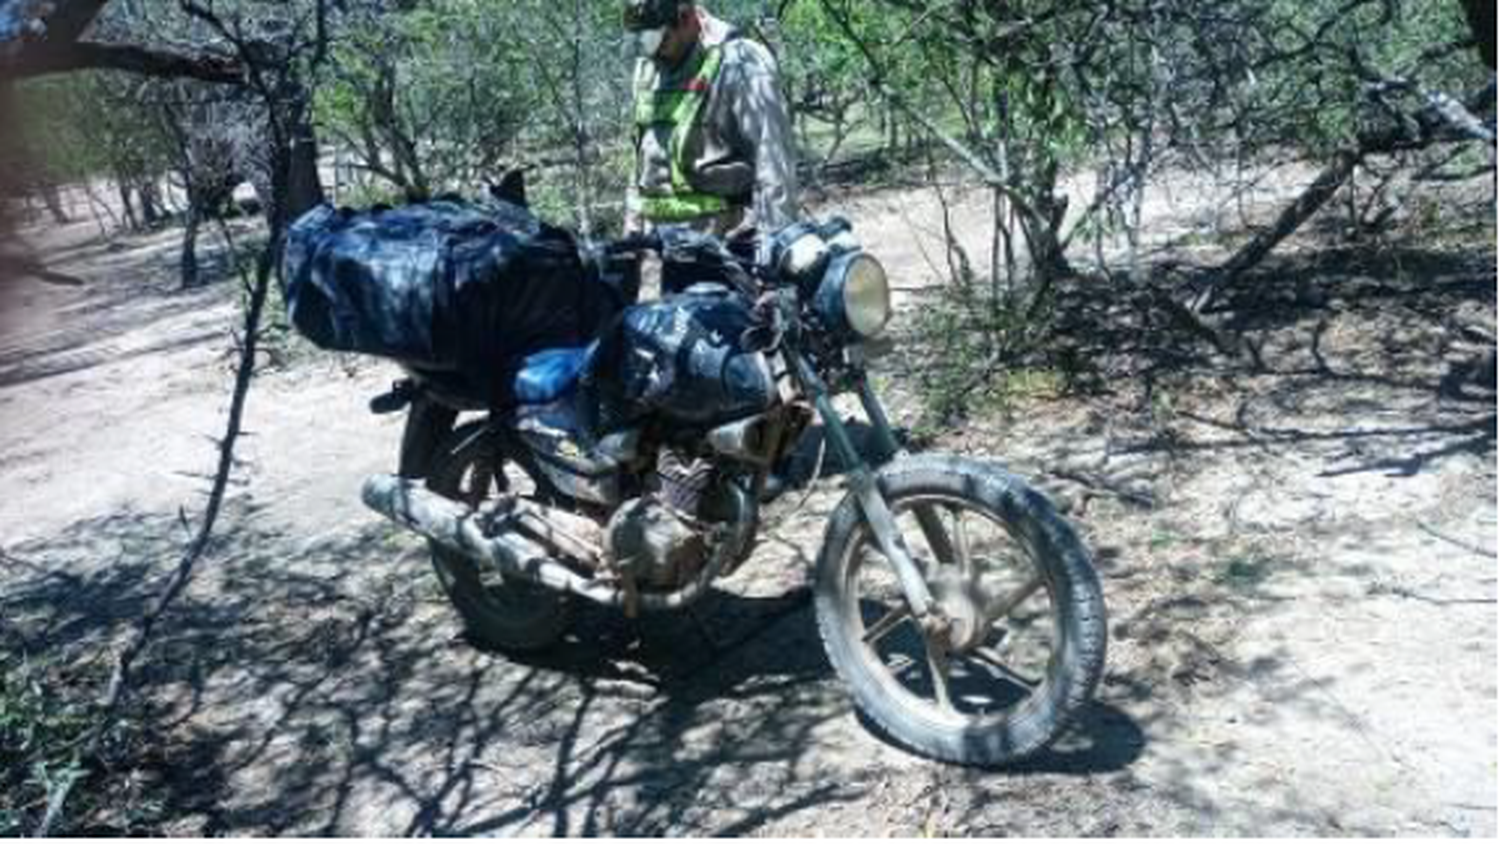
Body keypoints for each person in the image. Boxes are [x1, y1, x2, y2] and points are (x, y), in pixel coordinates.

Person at [622, 0, 799, 281]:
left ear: (687, 16)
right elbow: (641, 161)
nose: (655, 55)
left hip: (734, 256)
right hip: (675, 254)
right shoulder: (648, 67)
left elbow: (773, 166)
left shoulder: (740, 62)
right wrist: (629, 245)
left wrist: (774, 265)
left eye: (662, 41)